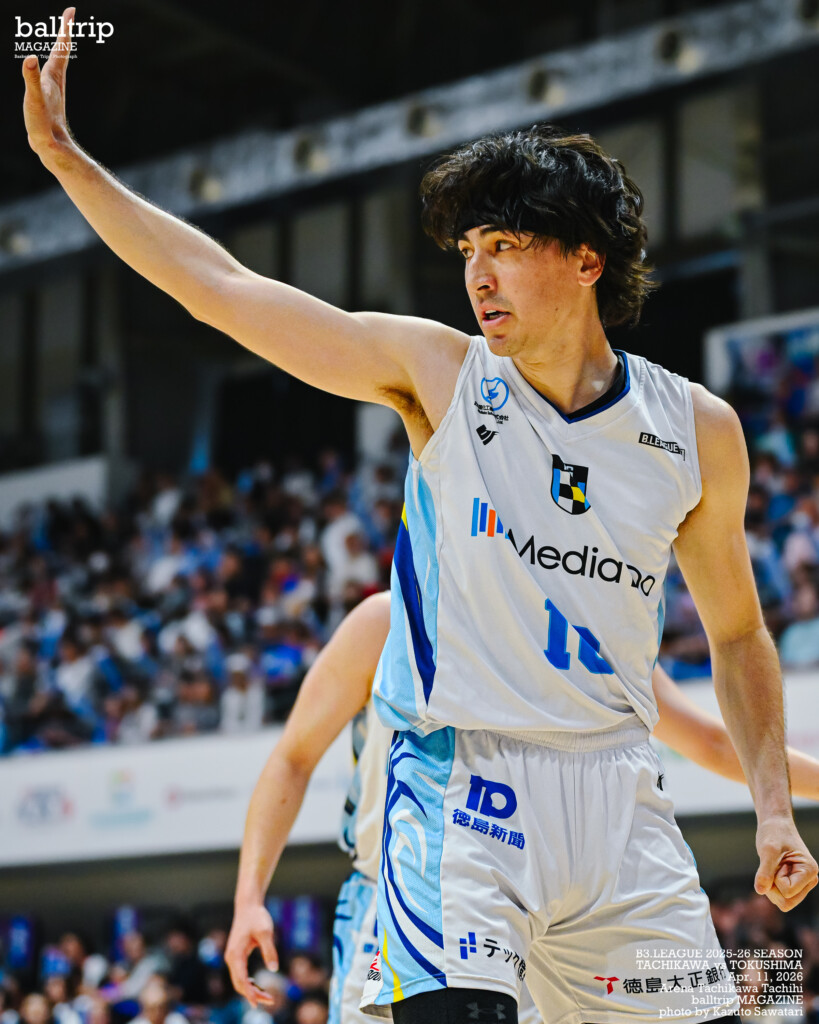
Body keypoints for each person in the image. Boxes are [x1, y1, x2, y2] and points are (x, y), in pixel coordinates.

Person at [23, 16, 817, 1023]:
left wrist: (774, 807)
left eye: (505, 247)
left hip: (622, 789)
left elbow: (739, 634)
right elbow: (223, 291)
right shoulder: (440, 376)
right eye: (470, 250)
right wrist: (68, 160)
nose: (478, 274)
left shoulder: (696, 428)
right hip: (463, 791)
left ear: (585, 260)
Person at [224, 591, 819, 1024]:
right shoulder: (388, 617)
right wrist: (249, 896)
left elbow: (712, 740)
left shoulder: (581, 610)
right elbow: (292, 758)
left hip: (541, 901)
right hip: (401, 893)